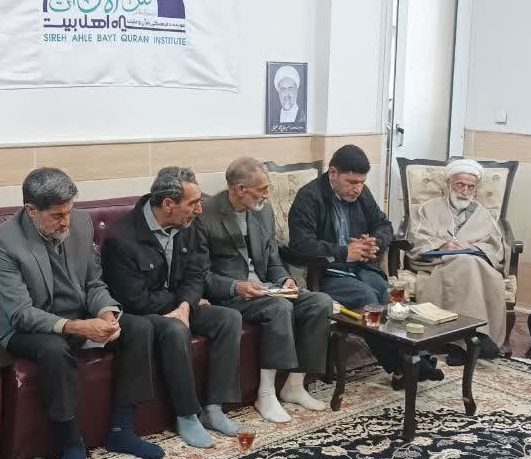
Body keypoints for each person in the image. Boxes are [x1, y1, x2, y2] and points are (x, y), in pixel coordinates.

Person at [0, 167, 163, 459]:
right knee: (54, 348)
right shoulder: (4, 242)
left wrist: (105, 313)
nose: (66, 222)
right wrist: (78, 327)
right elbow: (20, 313)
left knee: (139, 328)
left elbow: (93, 283)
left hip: (77, 314)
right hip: (19, 326)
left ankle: (122, 429)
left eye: (69, 211)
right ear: (31, 210)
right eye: (57, 215)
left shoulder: (81, 224)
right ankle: (71, 443)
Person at [102, 167, 243, 448]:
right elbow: (134, 299)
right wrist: (181, 306)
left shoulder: (191, 224)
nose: (200, 209)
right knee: (176, 329)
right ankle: (187, 414)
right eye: (193, 203)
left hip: (180, 305)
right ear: (168, 204)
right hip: (141, 315)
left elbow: (197, 273)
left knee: (229, 318)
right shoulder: (121, 237)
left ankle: (214, 408)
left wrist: (186, 305)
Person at [288, 144, 444, 384]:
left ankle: (413, 359)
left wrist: (375, 242)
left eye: (361, 182)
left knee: (389, 296)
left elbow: (384, 225)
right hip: (326, 273)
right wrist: (344, 252)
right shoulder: (309, 197)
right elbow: (301, 245)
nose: (357, 189)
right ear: (333, 173)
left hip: (363, 268)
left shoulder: (362, 193)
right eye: (352, 182)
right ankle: (404, 365)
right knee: (368, 299)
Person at [200, 157, 333, 423]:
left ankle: (294, 385)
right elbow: (201, 275)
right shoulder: (205, 214)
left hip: (267, 289)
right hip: (230, 296)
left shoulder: (263, 210)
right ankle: (266, 394)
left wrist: (285, 280)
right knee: (279, 307)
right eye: (262, 189)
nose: (266, 194)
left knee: (320, 302)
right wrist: (236, 286)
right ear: (240, 189)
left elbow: (273, 260)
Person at [407, 158, 507, 362]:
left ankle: (458, 342)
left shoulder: (483, 214)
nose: (465, 191)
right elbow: (417, 239)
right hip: (439, 262)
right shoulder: (428, 208)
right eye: (460, 185)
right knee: (466, 263)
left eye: (471, 187)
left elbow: (496, 246)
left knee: (468, 262)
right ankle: (475, 337)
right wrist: (442, 246)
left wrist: (472, 247)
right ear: (448, 184)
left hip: (474, 264)